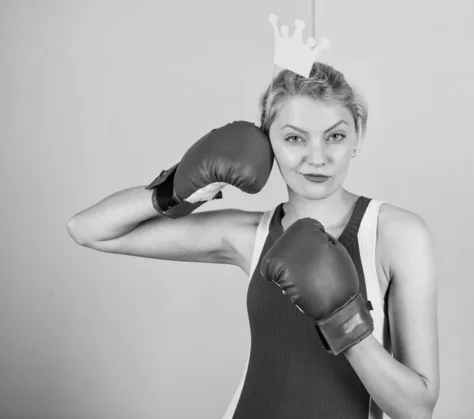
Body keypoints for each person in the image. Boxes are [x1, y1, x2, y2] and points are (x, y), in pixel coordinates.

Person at [66, 62, 440, 419]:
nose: (317, 157)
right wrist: (180, 187)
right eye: (294, 138)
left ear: (358, 134)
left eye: (335, 136)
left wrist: (343, 320)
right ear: (267, 143)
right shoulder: (250, 236)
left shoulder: (396, 235)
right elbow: (87, 229)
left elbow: (416, 409)